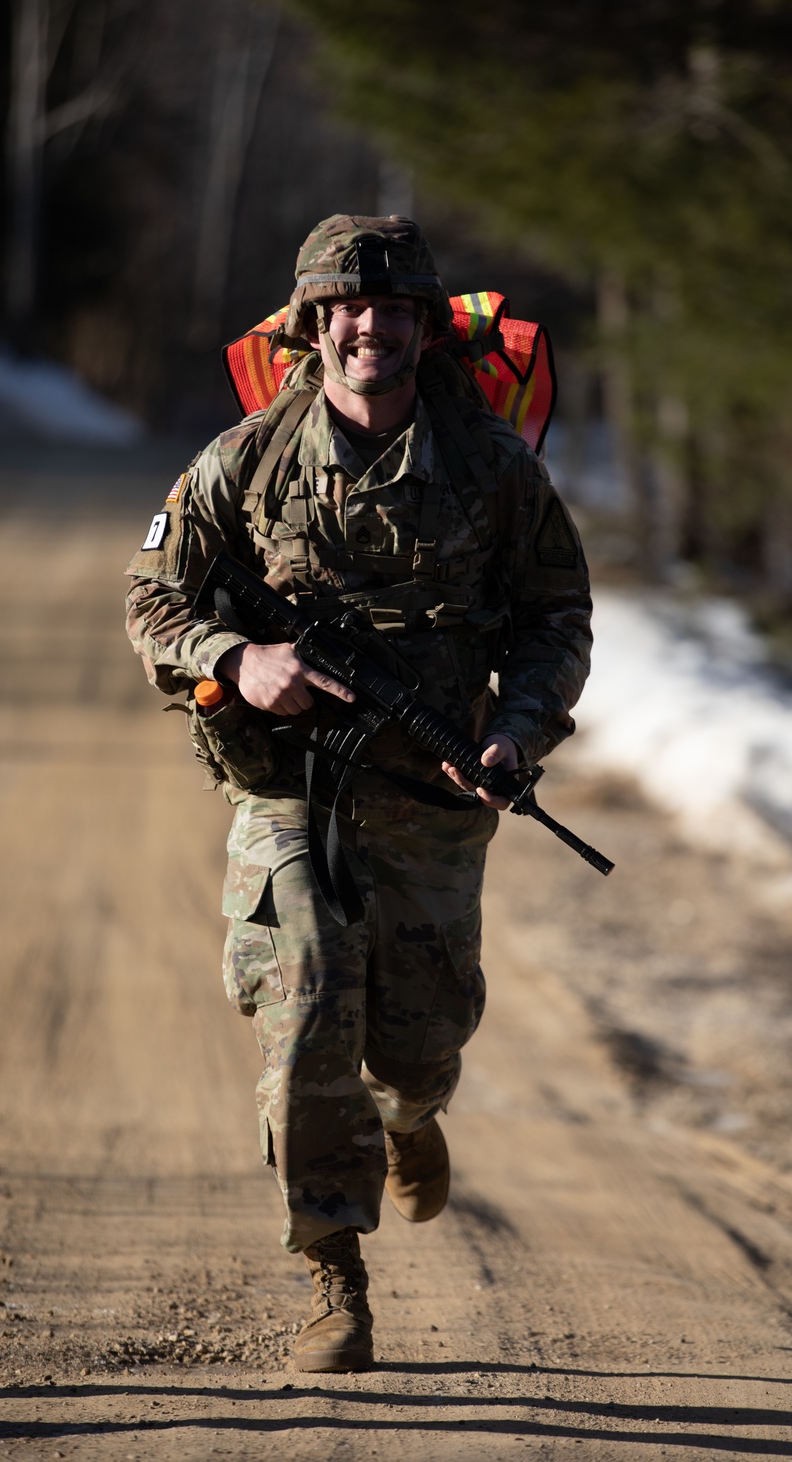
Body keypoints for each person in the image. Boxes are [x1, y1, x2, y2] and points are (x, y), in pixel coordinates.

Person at [125, 214, 591, 1374]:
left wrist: (515, 732)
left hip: (432, 798)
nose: (366, 328)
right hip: (288, 789)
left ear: (424, 329)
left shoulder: (495, 470)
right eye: (344, 309)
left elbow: (554, 622)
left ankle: (408, 1117)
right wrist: (239, 664)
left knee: (419, 1043)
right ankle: (334, 1277)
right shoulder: (244, 462)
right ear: (311, 326)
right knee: (306, 1005)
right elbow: (153, 600)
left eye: (389, 309)